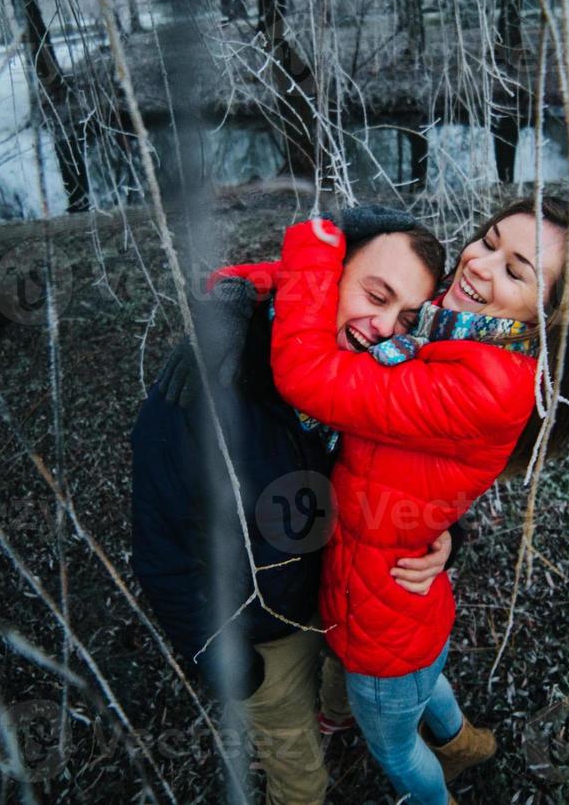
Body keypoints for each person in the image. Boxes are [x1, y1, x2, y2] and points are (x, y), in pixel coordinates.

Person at [242, 197, 569, 805]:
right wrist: (251, 285)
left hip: (381, 619)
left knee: (392, 746)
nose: (479, 263)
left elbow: (308, 375)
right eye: (490, 239)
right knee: (425, 680)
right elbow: (359, 297)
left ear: (551, 314)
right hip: (404, 601)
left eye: (516, 270)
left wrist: (314, 240)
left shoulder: (482, 384)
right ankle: (462, 741)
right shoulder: (462, 326)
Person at [129, 208, 458, 805]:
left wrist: (449, 538)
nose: (384, 327)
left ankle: (337, 718)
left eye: (405, 317)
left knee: (339, 695)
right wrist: (225, 662)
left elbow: (426, 474)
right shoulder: (202, 394)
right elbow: (161, 555)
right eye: (376, 295)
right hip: (259, 632)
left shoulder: (377, 381)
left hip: (341, 598)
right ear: (322, 276)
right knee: (297, 775)